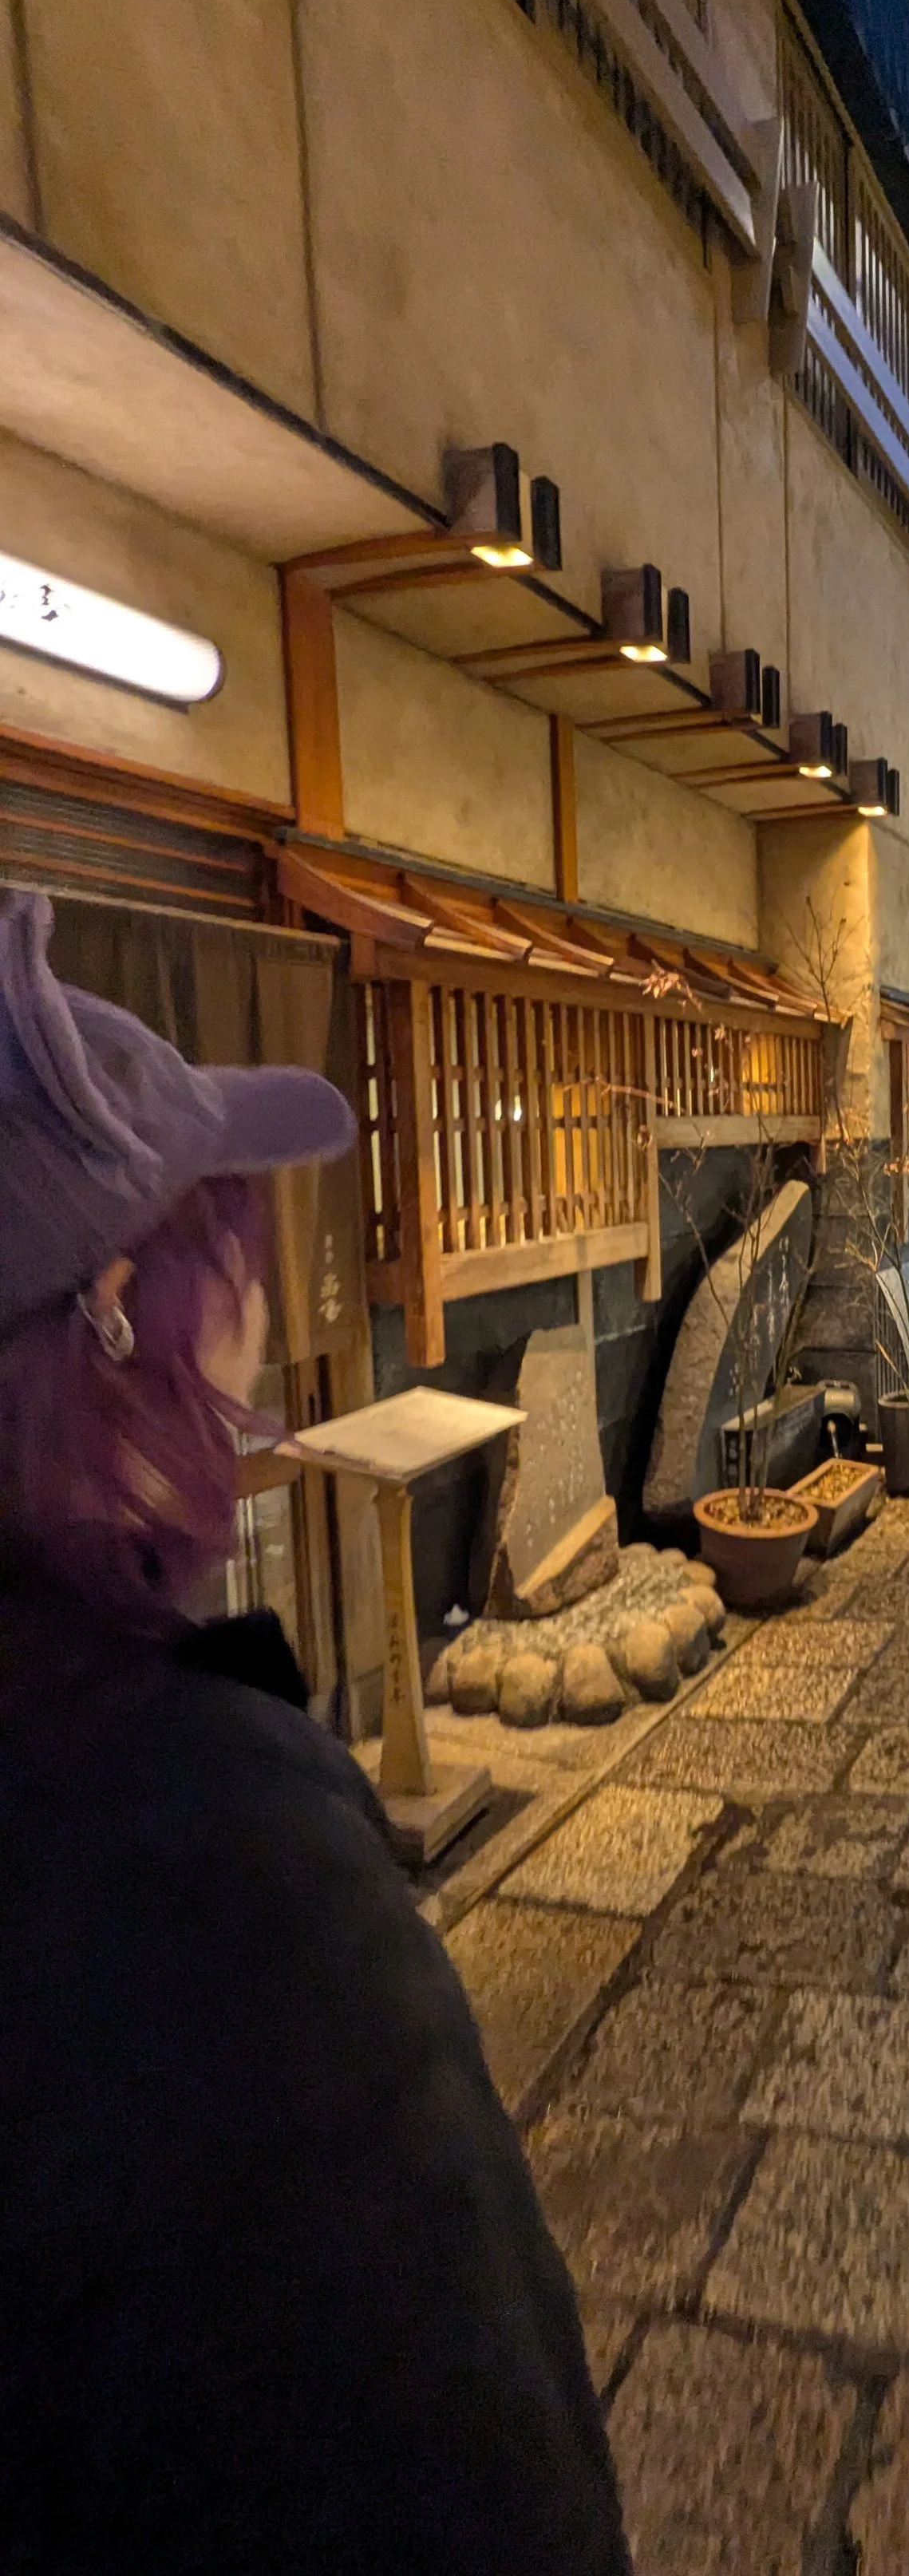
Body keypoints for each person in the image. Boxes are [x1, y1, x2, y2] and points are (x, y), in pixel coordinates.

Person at [0, 892, 630, 2576]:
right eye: (226, 1257)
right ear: (116, 1315)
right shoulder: (199, 1847)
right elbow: (470, 2469)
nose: (256, 1318)